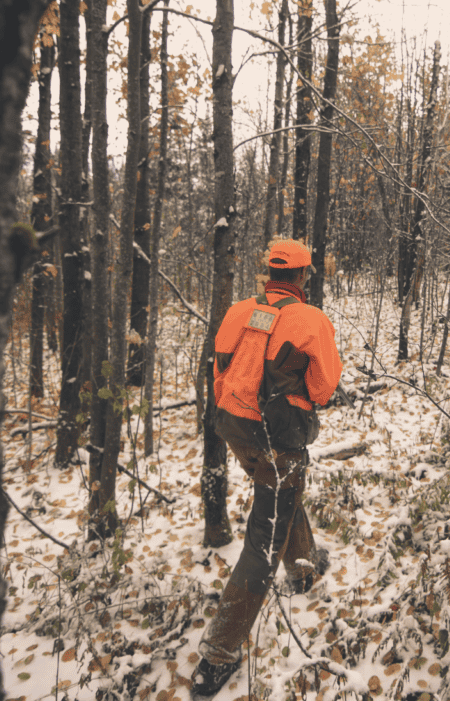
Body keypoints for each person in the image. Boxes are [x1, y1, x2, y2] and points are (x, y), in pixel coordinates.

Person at [192, 239, 343, 698]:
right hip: (279, 440)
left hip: (234, 430)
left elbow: (217, 375)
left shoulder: (238, 311)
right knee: (262, 540)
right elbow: (322, 389)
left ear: (269, 273)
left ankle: (303, 569)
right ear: (302, 276)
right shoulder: (311, 320)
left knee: (280, 493)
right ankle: (217, 655)